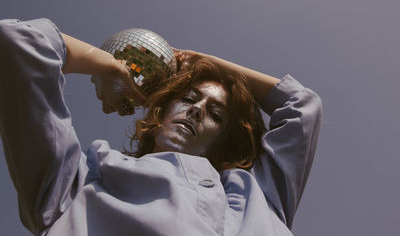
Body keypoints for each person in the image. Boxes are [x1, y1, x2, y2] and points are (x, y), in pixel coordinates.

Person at [0, 18, 322, 236]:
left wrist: (202, 60)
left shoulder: (259, 195)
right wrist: (111, 66)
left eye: (216, 114)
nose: (196, 110)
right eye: (188, 99)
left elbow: (302, 107)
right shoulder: (79, 181)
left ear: (224, 141)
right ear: (160, 113)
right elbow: (18, 42)